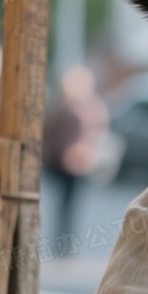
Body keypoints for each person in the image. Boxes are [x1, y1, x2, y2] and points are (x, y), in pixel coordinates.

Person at [42, 66, 109, 240]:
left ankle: (65, 237)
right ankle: (63, 237)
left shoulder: (87, 106)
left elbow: (99, 130)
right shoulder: (63, 107)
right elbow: (53, 135)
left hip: (77, 161)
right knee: (65, 202)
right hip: (62, 162)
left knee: (70, 203)